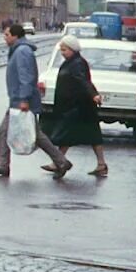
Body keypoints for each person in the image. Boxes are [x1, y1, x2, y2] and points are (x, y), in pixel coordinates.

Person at [0, 23, 72, 178]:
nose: (4, 38)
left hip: (22, 100)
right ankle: (2, 165)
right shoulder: (19, 50)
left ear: (15, 36)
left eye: (6, 35)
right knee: (6, 132)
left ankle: (61, 162)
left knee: (35, 135)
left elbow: (26, 77)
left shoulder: (22, 52)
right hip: (18, 99)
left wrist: (24, 99)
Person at [48, 35, 109, 177]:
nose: (62, 53)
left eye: (64, 50)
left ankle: (59, 162)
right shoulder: (72, 62)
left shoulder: (77, 64)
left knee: (72, 135)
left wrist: (93, 95)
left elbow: (83, 81)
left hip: (80, 107)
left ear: (72, 49)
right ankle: (100, 164)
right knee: (75, 135)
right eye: (61, 50)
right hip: (76, 106)